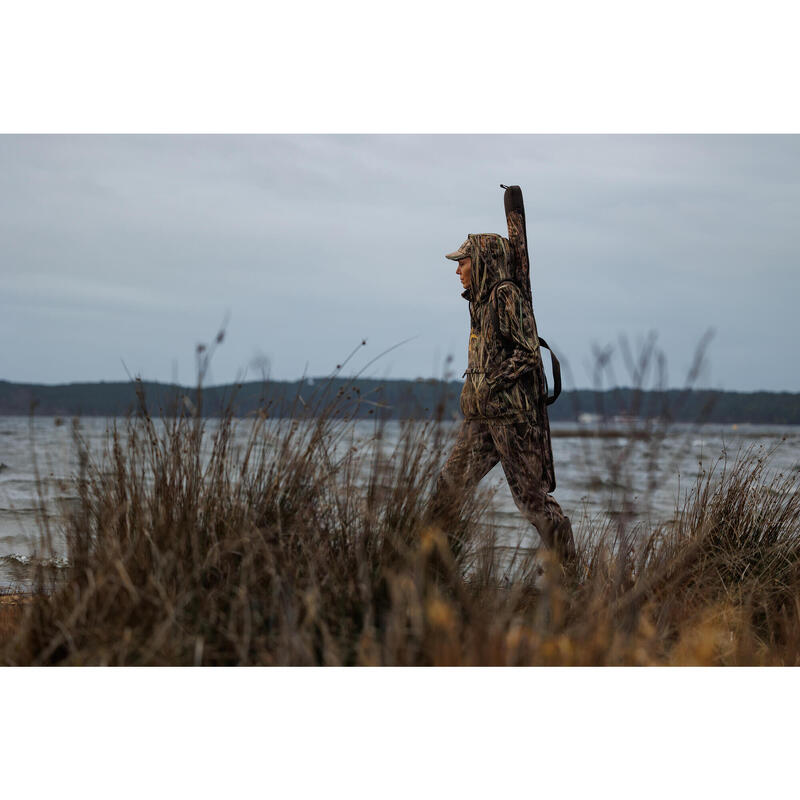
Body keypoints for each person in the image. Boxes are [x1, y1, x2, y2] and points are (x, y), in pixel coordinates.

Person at [428, 232, 576, 567]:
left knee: (531, 500)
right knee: (449, 485)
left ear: (480, 262)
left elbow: (528, 354)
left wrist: (490, 383)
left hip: (511, 418)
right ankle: (432, 565)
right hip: (482, 418)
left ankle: (569, 571)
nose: (457, 271)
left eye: (462, 263)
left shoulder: (504, 295)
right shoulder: (478, 302)